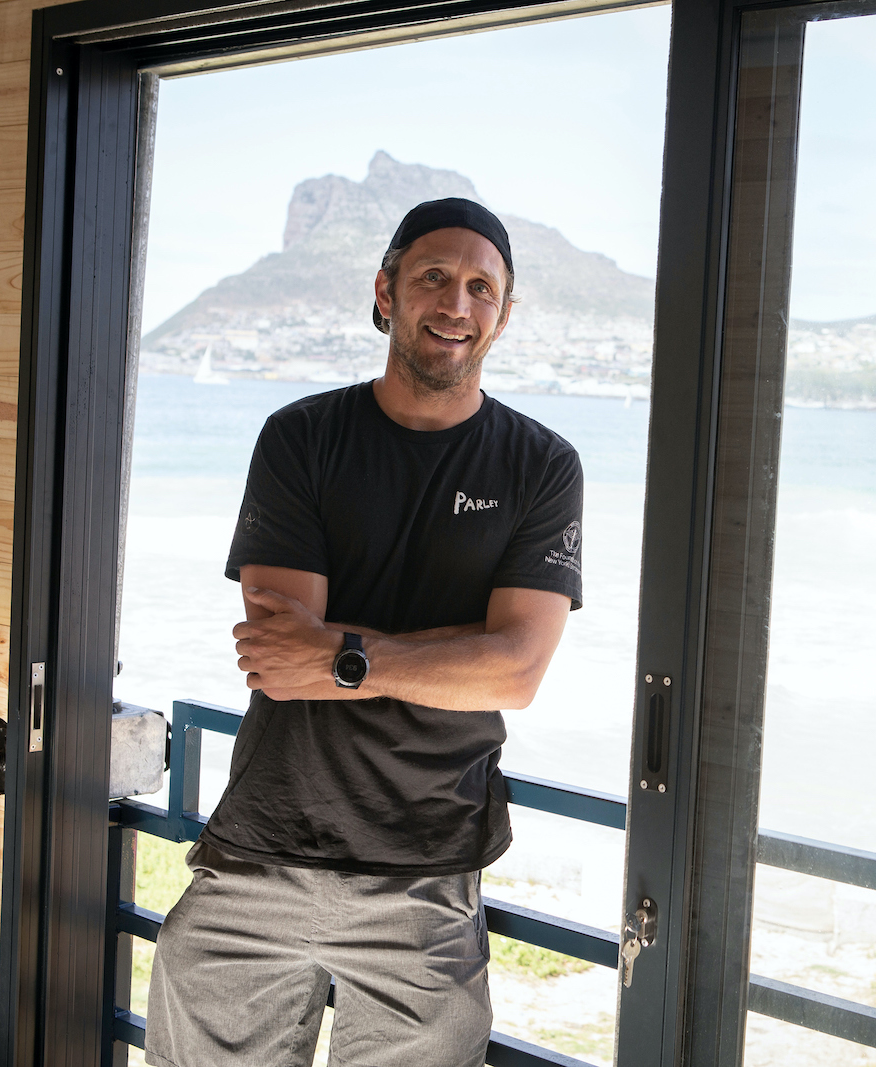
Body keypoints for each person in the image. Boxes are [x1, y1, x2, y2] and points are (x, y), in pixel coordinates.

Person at [146, 199, 583, 1067]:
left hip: (424, 878)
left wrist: (343, 652)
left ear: (503, 314)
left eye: (482, 287)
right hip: (259, 855)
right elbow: (281, 661)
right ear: (386, 291)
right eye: (433, 277)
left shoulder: (541, 465)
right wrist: (452, 649)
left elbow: (514, 672)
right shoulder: (302, 438)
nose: (456, 303)